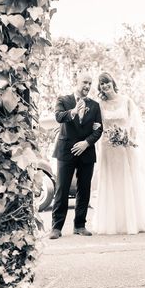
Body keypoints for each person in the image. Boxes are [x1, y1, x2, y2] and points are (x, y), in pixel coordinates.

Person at [90, 72, 145, 234]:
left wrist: (128, 138)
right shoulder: (99, 105)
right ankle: (112, 223)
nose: (105, 86)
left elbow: (135, 125)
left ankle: (133, 221)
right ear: (100, 88)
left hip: (125, 147)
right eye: (102, 84)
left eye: (107, 82)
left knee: (128, 180)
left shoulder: (126, 101)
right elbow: (97, 125)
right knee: (111, 181)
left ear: (113, 82)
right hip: (107, 147)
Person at [49, 73, 103, 239]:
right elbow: (58, 117)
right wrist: (73, 112)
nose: (87, 86)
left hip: (86, 152)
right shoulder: (63, 100)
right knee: (62, 188)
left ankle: (80, 225)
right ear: (77, 82)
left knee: (84, 189)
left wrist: (86, 143)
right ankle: (56, 228)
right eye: (84, 82)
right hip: (66, 150)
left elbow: (99, 129)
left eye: (90, 83)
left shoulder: (94, 105)